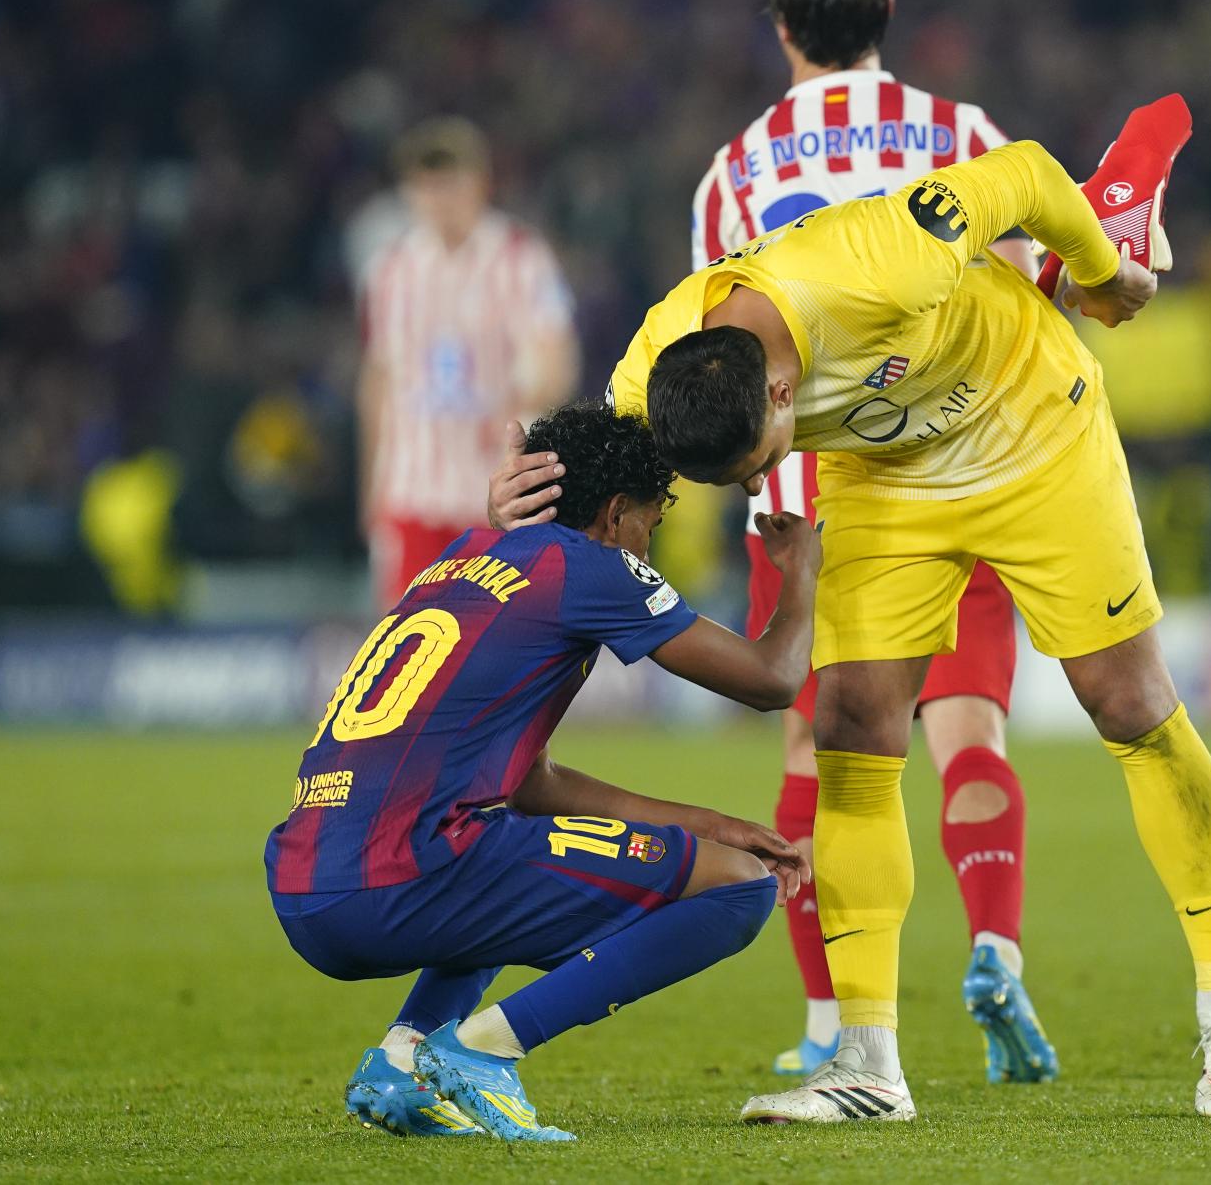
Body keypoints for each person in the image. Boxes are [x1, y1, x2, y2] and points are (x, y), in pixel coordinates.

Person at [496, 115, 1211, 1124]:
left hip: (1030, 423)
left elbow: (1030, 173)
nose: (763, 476)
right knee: (851, 726)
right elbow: (600, 463)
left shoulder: (878, 255)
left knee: (1125, 702)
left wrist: (1102, 274)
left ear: (781, 387)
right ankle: (866, 1063)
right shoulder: (659, 368)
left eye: (760, 455)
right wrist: (524, 492)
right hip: (885, 480)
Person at [690, 0, 1051, 1083]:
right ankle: (993, 940)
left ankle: (825, 1021)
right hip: (961, 473)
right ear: (887, 15)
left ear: (782, 25)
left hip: (809, 502)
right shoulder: (961, 136)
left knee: (820, 753)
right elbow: (1029, 280)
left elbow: (720, 364)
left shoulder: (736, 171)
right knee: (969, 731)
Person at [266, 401, 818, 1142]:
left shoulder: (462, 555)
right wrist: (801, 573)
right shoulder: (590, 568)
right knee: (740, 888)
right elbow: (773, 678)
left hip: (305, 887)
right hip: (403, 878)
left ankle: (401, 1059)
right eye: (649, 528)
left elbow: (531, 786)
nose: (647, 552)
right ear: (617, 512)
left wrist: (708, 822)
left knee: (503, 843)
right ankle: (484, 1050)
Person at [356, 117, 580, 607]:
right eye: (426, 185)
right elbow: (379, 378)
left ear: (481, 183)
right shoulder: (390, 268)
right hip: (411, 491)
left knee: (492, 643)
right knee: (402, 641)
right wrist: (372, 486)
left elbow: (556, 361)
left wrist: (518, 405)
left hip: (492, 494)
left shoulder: (521, 259)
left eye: (451, 182)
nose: (439, 199)